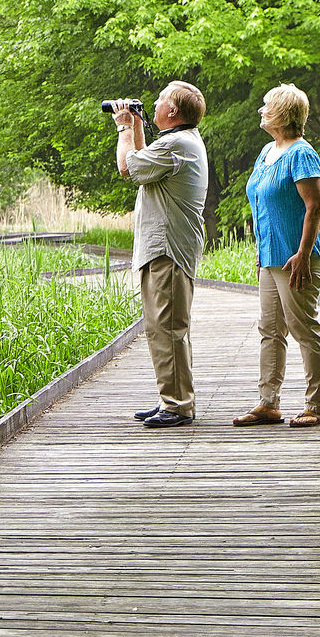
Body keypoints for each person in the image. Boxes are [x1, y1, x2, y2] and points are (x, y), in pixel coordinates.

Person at [233, 83, 320, 428]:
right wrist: (262, 251)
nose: (260, 111)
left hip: (297, 256)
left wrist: (303, 253)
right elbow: (262, 203)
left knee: (303, 328)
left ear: (283, 114)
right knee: (270, 330)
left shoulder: (302, 153)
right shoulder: (266, 152)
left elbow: (315, 206)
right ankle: (268, 404)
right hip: (271, 256)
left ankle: (315, 406)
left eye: (266, 106)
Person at [115, 82, 209, 428]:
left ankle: (178, 405)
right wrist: (139, 128)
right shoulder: (178, 143)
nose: (154, 104)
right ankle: (171, 399)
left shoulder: (176, 145)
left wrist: (125, 127)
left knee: (167, 327)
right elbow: (144, 167)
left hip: (168, 250)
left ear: (173, 111)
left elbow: (129, 167)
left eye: (160, 101)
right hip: (165, 248)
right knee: (162, 327)